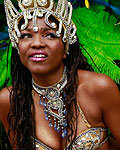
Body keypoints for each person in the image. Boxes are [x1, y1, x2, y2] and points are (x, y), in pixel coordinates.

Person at [0, 0, 120, 149]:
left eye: (49, 35)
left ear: (65, 47)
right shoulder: (9, 100)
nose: (36, 43)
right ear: (18, 47)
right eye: (26, 36)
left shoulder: (98, 87)